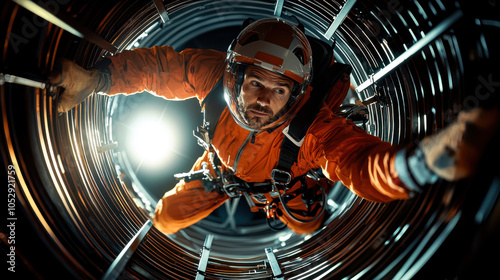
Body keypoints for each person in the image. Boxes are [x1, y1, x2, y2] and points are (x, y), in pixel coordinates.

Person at [49, 18, 499, 235]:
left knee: (306, 224)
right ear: (234, 79)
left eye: (279, 90)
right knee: (165, 218)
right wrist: (97, 80)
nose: (263, 99)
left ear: (297, 95)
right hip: (220, 170)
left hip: (281, 185)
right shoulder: (211, 79)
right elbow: (163, 68)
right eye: (255, 83)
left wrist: (421, 163)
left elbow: (361, 163)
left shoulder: (314, 130)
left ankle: (301, 197)